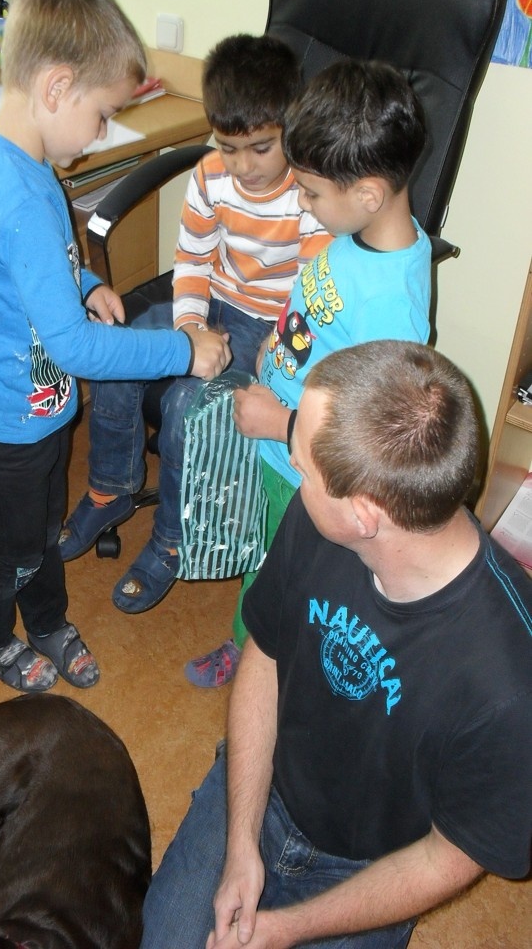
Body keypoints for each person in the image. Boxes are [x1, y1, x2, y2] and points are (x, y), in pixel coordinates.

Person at [141, 338, 532, 949]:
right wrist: (241, 843)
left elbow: (449, 856)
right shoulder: (318, 518)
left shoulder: (511, 683)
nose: (296, 475)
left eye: (302, 468)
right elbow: (265, 654)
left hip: (375, 868)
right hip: (260, 788)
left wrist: (286, 929)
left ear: (364, 514)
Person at [0, 0, 231, 694]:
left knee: (39, 534)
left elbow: (34, 268)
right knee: (14, 546)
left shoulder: (20, 159)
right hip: (3, 425)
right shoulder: (16, 194)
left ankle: (46, 620)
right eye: (102, 114)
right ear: (57, 88)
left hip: (30, 412)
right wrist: (183, 349)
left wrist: (85, 283)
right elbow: (73, 347)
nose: (102, 132)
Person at [59, 33, 329, 615]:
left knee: (187, 406)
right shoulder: (210, 176)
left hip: (269, 327)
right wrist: (188, 328)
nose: (244, 166)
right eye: (228, 148)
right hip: (210, 304)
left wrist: (276, 347)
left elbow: (311, 294)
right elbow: (193, 260)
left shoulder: (310, 195)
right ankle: (111, 488)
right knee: (118, 351)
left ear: (292, 129)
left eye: (261, 148)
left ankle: (173, 538)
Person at [186, 58, 432, 688]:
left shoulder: (391, 307)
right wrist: (278, 341)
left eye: (312, 193)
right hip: (279, 440)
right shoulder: (355, 234)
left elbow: (372, 431)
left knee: (283, 573)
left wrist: (281, 423)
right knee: (264, 559)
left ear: (367, 194)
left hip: (306, 466)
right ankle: (252, 640)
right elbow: (317, 309)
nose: (302, 201)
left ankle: (261, 662)